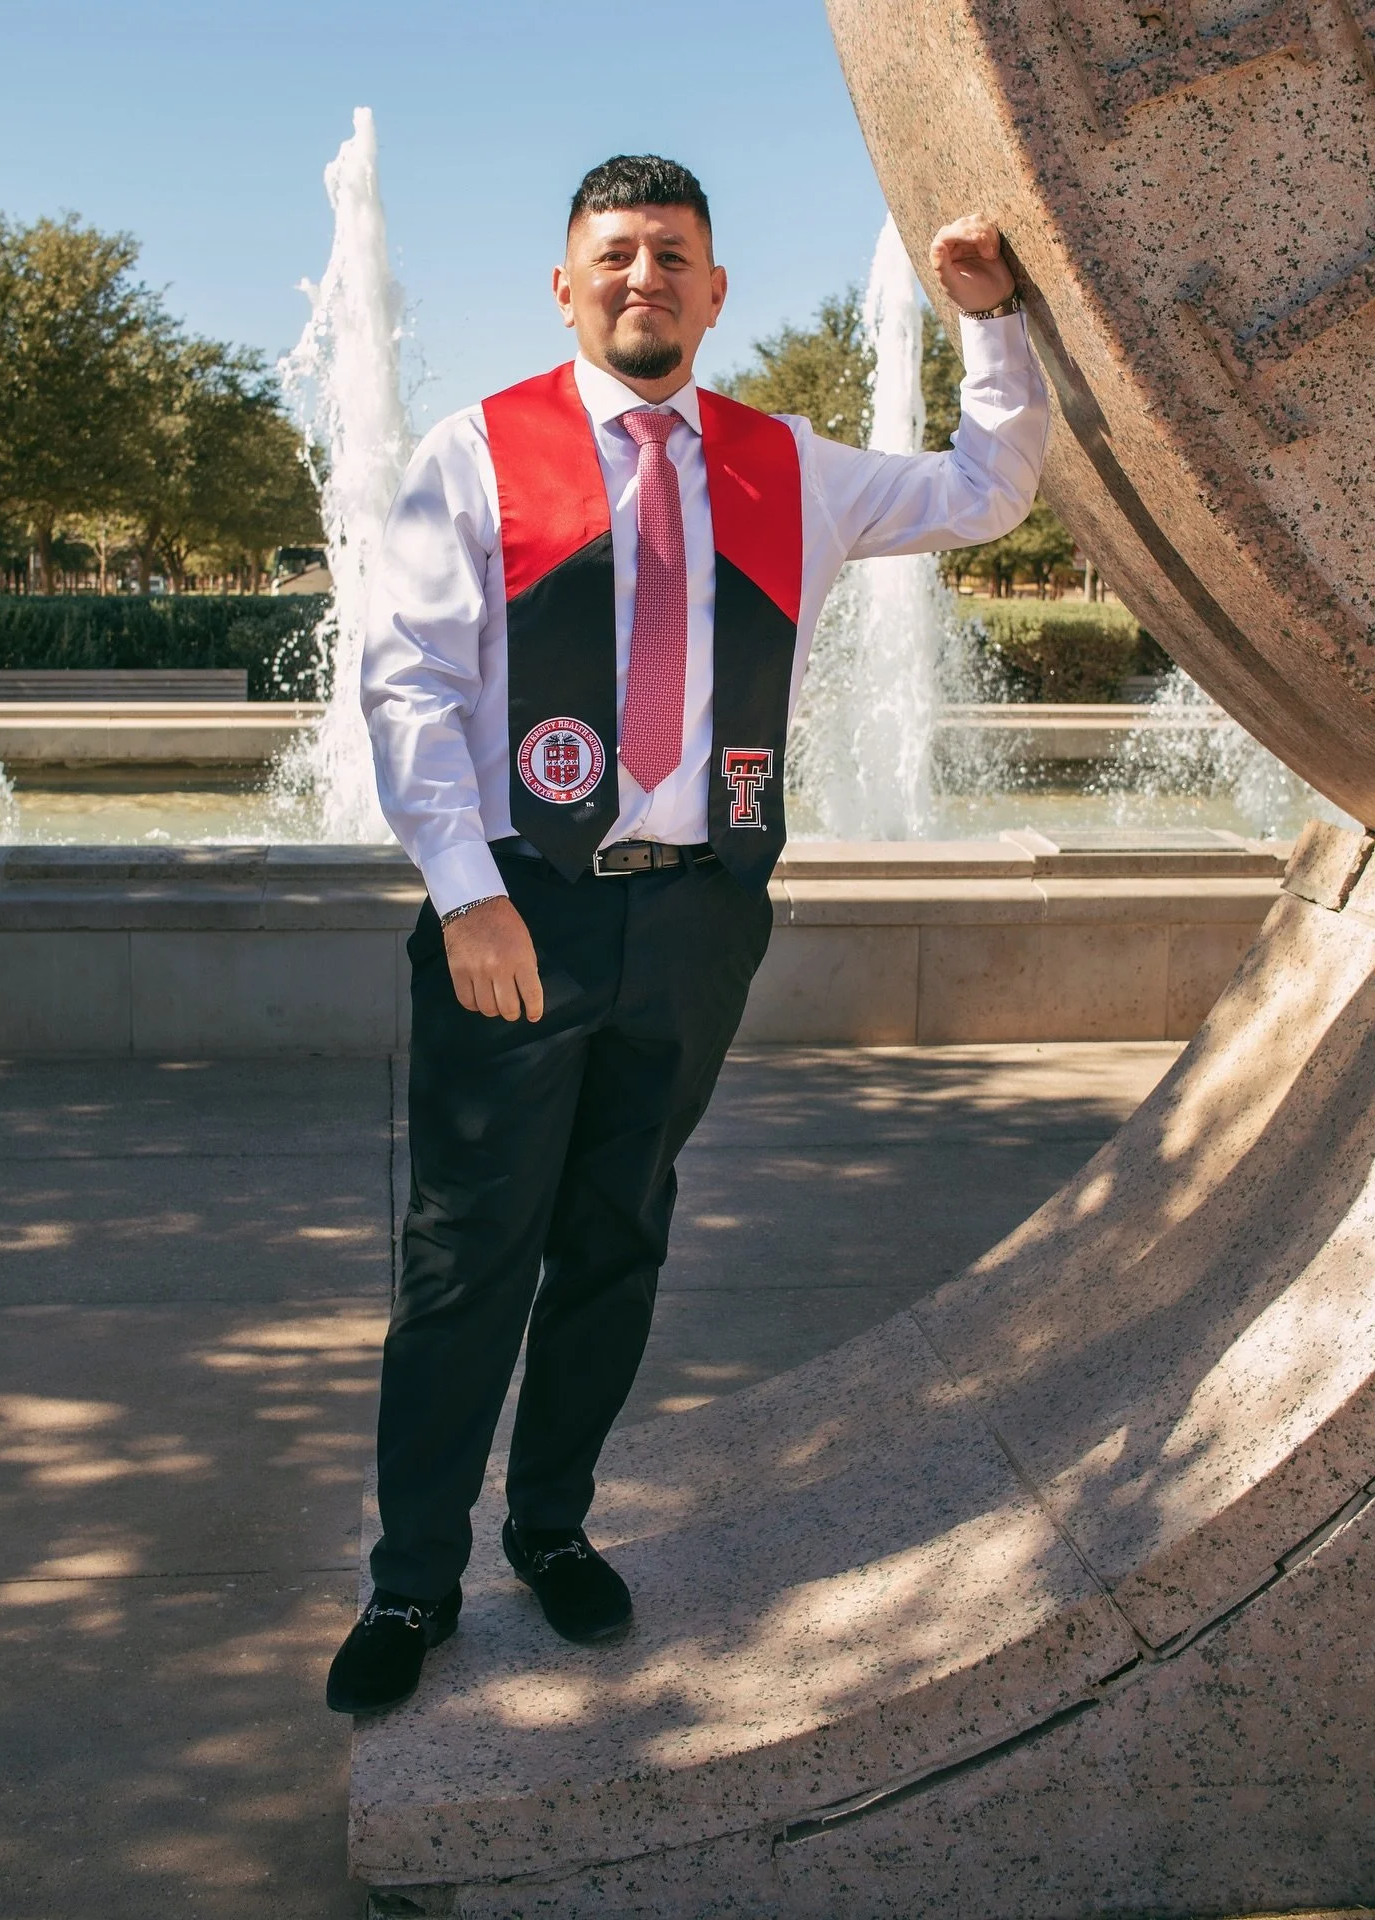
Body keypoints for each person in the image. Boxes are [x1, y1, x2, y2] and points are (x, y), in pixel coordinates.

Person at [327, 154, 1047, 1714]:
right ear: (566, 283)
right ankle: (411, 1581)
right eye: (616, 254)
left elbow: (988, 490)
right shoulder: (481, 453)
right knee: (465, 1257)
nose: (643, 276)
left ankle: (553, 1526)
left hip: (700, 918)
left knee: (618, 1239)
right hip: (519, 913)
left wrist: (989, 324)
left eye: (673, 255)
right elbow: (408, 691)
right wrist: (468, 897)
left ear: (717, 290)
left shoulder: (791, 465)